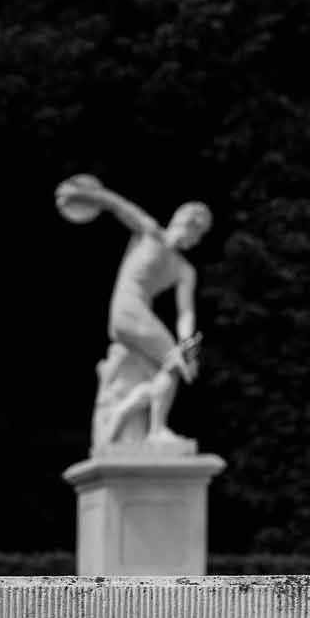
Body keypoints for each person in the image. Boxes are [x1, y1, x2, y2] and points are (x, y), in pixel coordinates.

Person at [55, 176, 212, 450]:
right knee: (173, 364)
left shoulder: (185, 270)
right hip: (128, 308)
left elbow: (185, 313)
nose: (194, 242)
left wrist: (187, 344)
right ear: (184, 224)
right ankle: (156, 430)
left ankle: (122, 413)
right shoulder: (149, 232)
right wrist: (89, 195)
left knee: (163, 374)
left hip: (136, 314)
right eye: (196, 234)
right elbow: (120, 207)